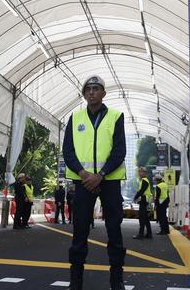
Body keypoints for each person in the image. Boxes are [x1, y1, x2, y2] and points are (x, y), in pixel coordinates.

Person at [62, 75, 127, 290]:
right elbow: (68, 151)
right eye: (88, 89)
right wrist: (83, 174)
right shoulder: (75, 117)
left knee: (114, 231)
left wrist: (101, 175)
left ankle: (116, 280)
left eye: (96, 88)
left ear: (103, 93)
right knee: (79, 231)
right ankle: (75, 281)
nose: (92, 92)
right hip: (83, 182)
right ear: (84, 94)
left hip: (109, 181)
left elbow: (119, 151)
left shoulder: (116, 117)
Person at [132, 167, 152, 240]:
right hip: (145, 201)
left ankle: (141, 235)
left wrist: (135, 197)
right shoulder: (143, 180)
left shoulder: (144, 180)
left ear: (145, 173)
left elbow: (141, 191)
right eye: (139, 172)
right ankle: (149, 234)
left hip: (144, 201)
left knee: (142, 218)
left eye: (142, 172)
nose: (140, 173)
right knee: (145, 218)